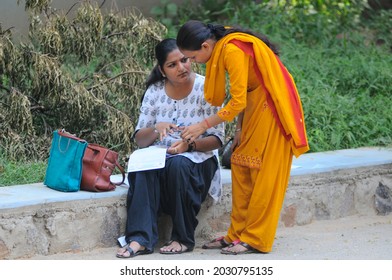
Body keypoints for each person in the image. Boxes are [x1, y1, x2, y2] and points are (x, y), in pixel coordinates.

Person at [176, 20, 309, 254]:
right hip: (254, 110)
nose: (193, 64)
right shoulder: (224, 46)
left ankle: (256, 238)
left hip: (272, 112)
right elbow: (246, 91)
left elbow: (238, 101)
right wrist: (239, 130)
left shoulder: (231, 50)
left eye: (193, 58)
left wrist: (202, 126)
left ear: (206, 47)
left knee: (263, 175)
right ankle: (236, 234)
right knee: (240, 166)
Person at [115, 38, 225, 258]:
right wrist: (157, 129)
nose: (181, 68)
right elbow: (140, 139)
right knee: (142, 165)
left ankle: (182, 238)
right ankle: (140, 239)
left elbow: (218, 140)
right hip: (160, 159)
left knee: (178, 165)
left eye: (184, 60)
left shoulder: (207, 88)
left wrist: (189, 144)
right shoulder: (154, 92)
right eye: (172, 65)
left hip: (198, 161)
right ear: (162, 70)